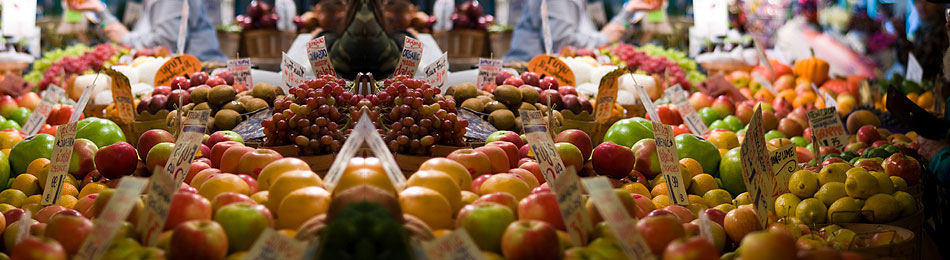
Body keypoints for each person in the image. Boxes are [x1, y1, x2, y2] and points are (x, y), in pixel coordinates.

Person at [67, 0, 228, 62]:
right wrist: (99, 10)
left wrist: (126, 37)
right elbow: (127, 35)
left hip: (204, 74)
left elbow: (165, 43)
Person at [503, 0, 661, 62]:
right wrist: (603, 37)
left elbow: (595, 36)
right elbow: (563, 43)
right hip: (523, 75)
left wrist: (629, 10)